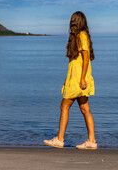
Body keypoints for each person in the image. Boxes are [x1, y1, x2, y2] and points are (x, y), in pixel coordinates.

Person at [44, 11, 97, 149]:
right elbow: (74, 63)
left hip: (79, 80)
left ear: (78, 21)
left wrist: (83, 79)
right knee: (85, 109)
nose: (71, 22)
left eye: (74, 20)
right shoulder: (78, 37)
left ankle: (60, 139)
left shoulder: (82, 36)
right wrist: (67, 79)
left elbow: (86, 59)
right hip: (74, 78)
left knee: (64, 106)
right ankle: (92, 141)